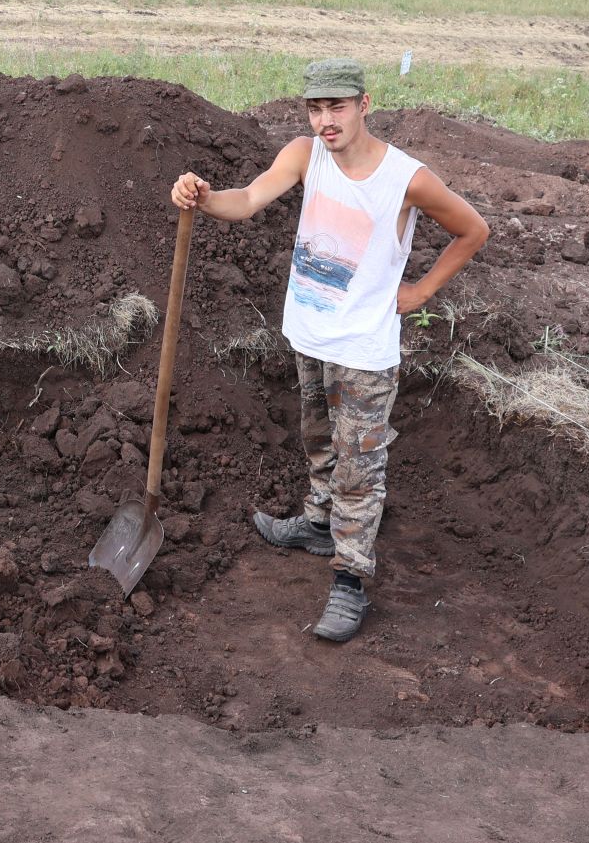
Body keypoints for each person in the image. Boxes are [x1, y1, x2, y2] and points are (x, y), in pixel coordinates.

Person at [171, 58, 488, 642]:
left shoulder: (406, 178)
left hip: (366, 348)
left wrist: (421, 291)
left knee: (360, 466)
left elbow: (473, 229)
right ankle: (319, 527)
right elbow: (245, 201)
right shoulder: (304, 153)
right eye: (315, 109)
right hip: (310, 335)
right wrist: (202, 197)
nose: (325, 121)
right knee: (318, 438)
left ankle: (350, 579)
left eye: (336, 107)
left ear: (365, 104)